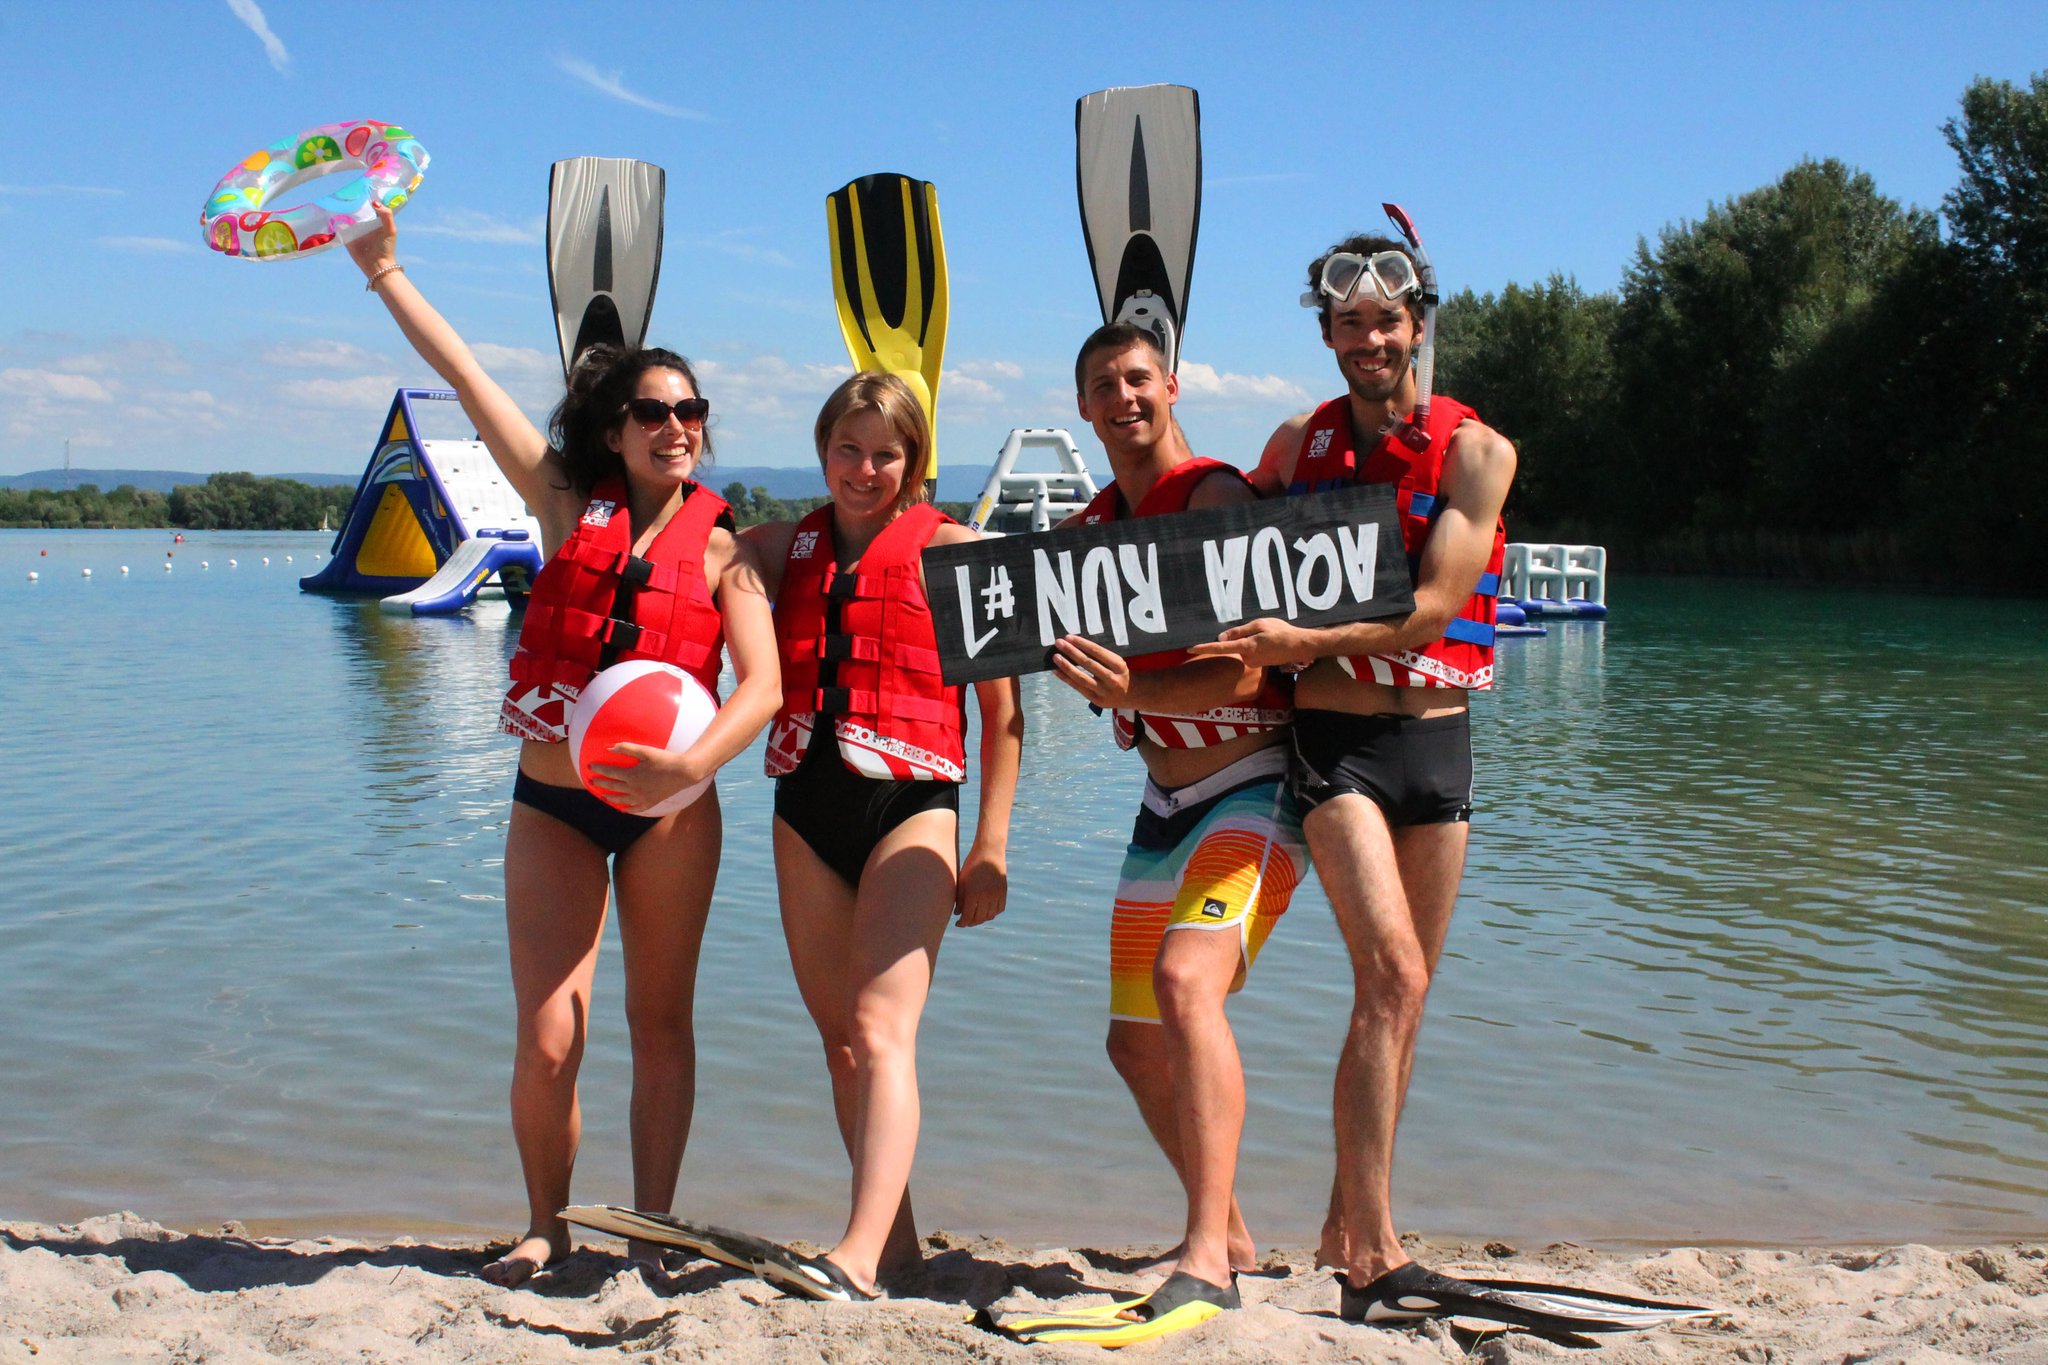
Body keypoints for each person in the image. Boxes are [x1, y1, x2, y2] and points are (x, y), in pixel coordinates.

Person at [347, 202, 783, 1287]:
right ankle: (546, 1223)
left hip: (671, 815)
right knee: (549, 1035)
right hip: (553, 803)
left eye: (691, 411)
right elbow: (466, 375)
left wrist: (691, 766)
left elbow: (764, 686)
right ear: (611, 427)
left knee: (658, 1023)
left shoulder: (728, 548)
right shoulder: (558, 501)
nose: (675, 426)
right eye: (652, 411)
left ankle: (651, 1229)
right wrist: (386, 273)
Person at [1189, 232, 1517, 1315]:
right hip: (1334, 747)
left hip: (1435, 736)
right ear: (1324, 333)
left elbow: (1427, 611)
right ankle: (1374, 1255)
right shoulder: (1300, 441)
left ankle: (1346, 1219)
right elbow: (1216, 535)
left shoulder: (1476, 454)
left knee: (1402, 998)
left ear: (1417, 322)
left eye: (1385, 321)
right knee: (1393, 976)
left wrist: (1302, 643)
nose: (1367, 339)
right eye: (1346, 324)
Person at [741, 372, 1022, 1301]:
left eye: (886, 452)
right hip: (805, 808)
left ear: (916, 461)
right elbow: (673, 563)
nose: (866, 469)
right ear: (823, 451)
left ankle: (854, 1256)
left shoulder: (958, 550)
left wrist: (991, 845)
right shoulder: (782, 549)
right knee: (841, 1044)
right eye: (848, 450)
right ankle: (896, 1247)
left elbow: (1003, 715)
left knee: (880, 1025)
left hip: (915, 807)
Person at [1047, 324, 1307, 1323]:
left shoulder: (1215, 497)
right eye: (1102, 386)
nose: (1122, 397)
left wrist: (1135, 689)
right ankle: (1231, 1228)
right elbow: (1064, 654)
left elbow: (1243, 663)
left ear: (1171, 386)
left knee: (1185, 984)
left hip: (1255, 782)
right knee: (1131, 1042)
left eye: (1137, 379)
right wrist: (1099, 689)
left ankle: (1205, 1257)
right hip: (1164, 803)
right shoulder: (1089, 526)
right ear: (1081, 407)